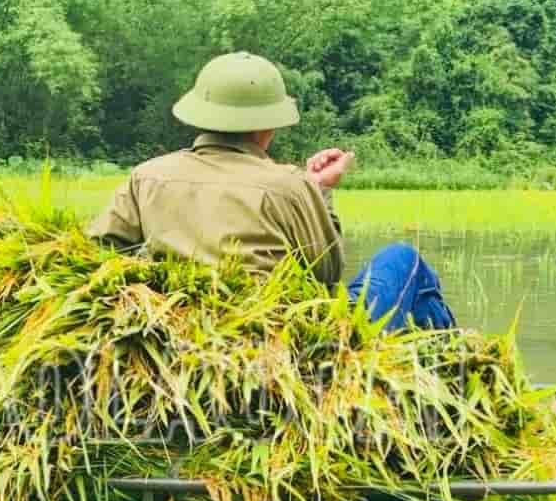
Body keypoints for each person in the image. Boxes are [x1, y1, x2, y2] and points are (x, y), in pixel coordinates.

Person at [87, 51, 455, 331]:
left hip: (188, 326)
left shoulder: (147, 176)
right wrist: (318, 194)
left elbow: (101, 247)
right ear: (267, 128)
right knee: (403, 261)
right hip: (282, 332)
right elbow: (327, 272)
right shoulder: (289, 186)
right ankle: (451, 371)